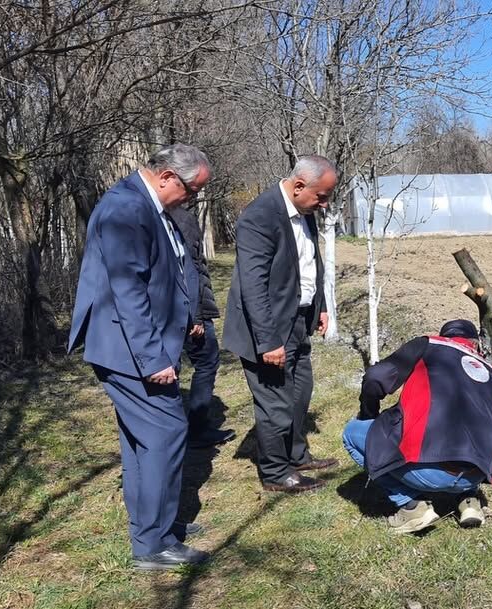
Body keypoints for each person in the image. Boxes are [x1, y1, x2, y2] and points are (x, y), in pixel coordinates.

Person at [67, 144, 212, 571]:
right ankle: (153, 544)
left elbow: (167, 272)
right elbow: (127, 291)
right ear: (167, 176)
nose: (191, 198)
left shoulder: (147, 206)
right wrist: (152, 358)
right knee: (166, 434)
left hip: (140, 345)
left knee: (142, 441)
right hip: (130, 350)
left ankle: (156, 528)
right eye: (191, 190)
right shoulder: (125, 210)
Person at [222, 155, 339, 493]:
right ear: (299, 186)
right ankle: (275, 472)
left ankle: (297, 455)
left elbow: (307, 264)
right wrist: (268, 341)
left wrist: (320, 306)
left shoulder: (305, 211)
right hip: (269, 328)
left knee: (300, 392)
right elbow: (253, 287)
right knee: (275, 402)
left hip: (299, 320)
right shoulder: (259, 217)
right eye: (321, 196)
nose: (324, 203)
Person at [342, 319, 492, 534]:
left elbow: (375, 378)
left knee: (352, 434)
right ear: (474, 344)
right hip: (479, 473)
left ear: (445, 336)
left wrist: (368, 414)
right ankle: (469, 501)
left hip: (429, 473)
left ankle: (411, 507)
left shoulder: (430, 345)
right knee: (468, 434)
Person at [166, 203, 236, 448]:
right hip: (188, 312)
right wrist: (195, 316)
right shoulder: (180, 218)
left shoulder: (160, 214)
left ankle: (182, 431)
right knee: (203, 363)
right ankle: (193, 430)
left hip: (181, 311)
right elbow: (188, 268)